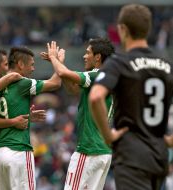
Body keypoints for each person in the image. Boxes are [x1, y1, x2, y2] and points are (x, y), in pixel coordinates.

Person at [89, 4, 173, 190]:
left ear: (123, 29)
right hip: (159, 156)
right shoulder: (168, 66)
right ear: (148, 29)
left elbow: (96, 98)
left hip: (131, 155)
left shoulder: (119, 63)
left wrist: (108, 136)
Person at [42, 39, 116, 189]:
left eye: (88, 52)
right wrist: (58, 64)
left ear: (98, 57)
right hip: (103, 151)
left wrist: (54, 59)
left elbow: (63, 73)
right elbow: (72, 89)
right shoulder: (107, 77)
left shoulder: (98, 75)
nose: (84, 56)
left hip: (89, 149)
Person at [0, 44, 62, 190]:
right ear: (20, 64)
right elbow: (55, 83)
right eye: (32, 65)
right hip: (18, 151)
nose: (33, 69)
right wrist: (57, 61)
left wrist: (27, 117)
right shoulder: (22, 83)